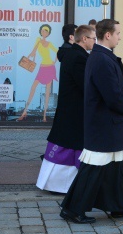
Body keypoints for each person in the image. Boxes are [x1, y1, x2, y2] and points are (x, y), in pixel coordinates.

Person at [60, 19, 123, 223]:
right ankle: (72, 209)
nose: (120, 37)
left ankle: (120, 206)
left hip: (108, 122)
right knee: (93, 167)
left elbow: (109, 89)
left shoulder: (102, 57)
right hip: (103, 123)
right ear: (108, 35)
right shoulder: (101, 59)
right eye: (118, 33)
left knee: (118, 165)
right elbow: (110, 96)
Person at [37, 25, 96, 194]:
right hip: (74, 110)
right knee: (69, 147)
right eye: (93, 38)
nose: (95, 42)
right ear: (84, 39)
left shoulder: (72, 54)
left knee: (69, 145)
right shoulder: (79, 57)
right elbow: (85, 85)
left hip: (70, 109)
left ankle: (64, 184)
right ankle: (60, 185)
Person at [17, 24, 58, 122]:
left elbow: (58, 51)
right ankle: (25, 111)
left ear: (48, 33)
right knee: (33, 87)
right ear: (41, 31)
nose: (45, 32)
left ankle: (44, 116)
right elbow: (34, 51)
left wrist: (54, 62)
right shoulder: (38, 40)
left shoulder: (49, 43)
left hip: (50, 67)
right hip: (42, 67)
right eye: (44, 30)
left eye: (47, 31)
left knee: (48, 92)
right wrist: (31, 55)